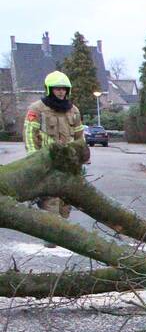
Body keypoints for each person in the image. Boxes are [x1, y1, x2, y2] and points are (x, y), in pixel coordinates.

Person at [23, 71, 90, 222]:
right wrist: (34, 157)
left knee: (66, 203)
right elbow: (29, 133)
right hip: (48, 162)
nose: (61, 92)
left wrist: (82, 158)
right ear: (49, 89)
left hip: (68, 163)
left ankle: (62, 236)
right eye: (57, 88)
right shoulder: (37, 109)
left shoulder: (73, 110)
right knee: (50, 201)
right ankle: (51, 240)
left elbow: (80, 136)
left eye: (64, 89)